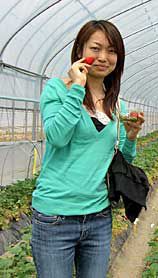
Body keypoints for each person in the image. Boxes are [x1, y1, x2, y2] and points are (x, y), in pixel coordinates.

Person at [31, 20, 144, 278]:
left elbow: (122, 160)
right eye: (96, 48)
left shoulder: (117, 105)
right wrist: (77, 88)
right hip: (55, 217)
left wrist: (131, 136)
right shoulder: (58, 90)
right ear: (80, 50)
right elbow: (57, 137)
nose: (104, 57)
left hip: (98, 218)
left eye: (112, 51)